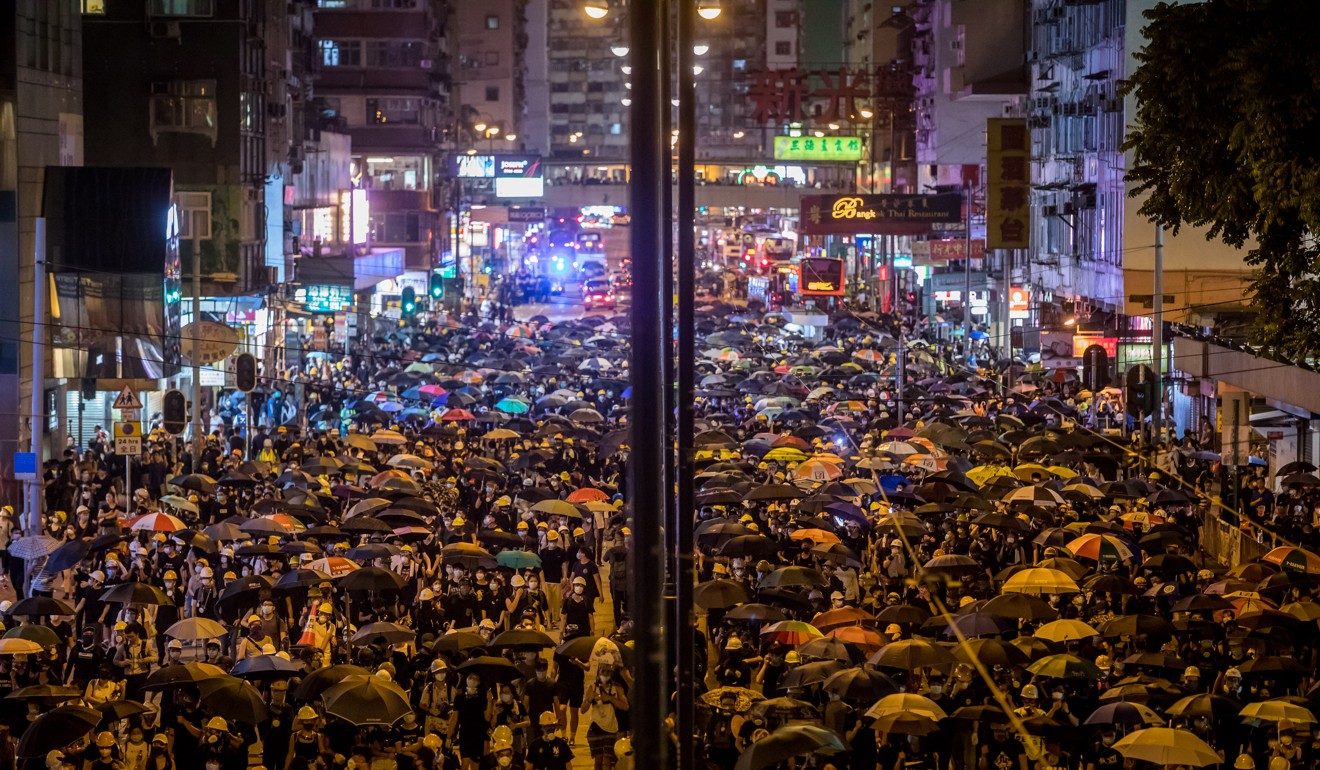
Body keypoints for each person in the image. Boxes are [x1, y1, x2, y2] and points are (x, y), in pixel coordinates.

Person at [581, 666, 627, 770]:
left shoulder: (617, 688)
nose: (605, 674)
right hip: (595, 728)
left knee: (607, 761)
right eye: (603, 671)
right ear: (598, 672)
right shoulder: (592, 688)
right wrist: (589, 699)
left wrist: (610, 698)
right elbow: (583, 710)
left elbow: (625, 706)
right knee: (598, 761)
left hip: (611, 728)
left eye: (608, 671)